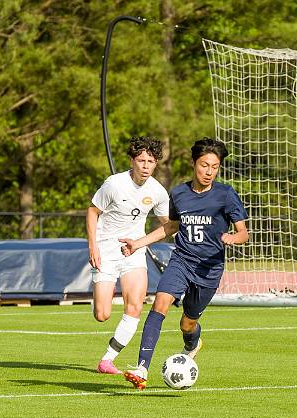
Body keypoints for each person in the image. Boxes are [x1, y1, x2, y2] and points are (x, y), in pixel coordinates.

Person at [120, 137, 248, 390]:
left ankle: (192, 343)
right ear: (193, 163)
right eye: (204, 165)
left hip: (209, 270)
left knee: (187, 324)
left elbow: (244, 232)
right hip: (181, 260)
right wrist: (138, 243)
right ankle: (142, 368)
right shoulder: (178, 193)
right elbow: (170, 227)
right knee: (160, 303)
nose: (209, 171)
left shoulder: (225, 194)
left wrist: (233, 237)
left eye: (214, 167)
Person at [86, 136, 169, 374]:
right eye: (141, 160)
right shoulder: (114, 184)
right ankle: (102, 291)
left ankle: (107, 360)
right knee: (102, 315)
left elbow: (167, 226)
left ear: (155, 164)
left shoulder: (158, 192)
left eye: (150, 161)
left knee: (134, 307)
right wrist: (93, 246)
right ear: (132, 161)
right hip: (106, 249)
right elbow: (92, 212)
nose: (145, 166)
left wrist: (141, 242)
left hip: (134, 251)